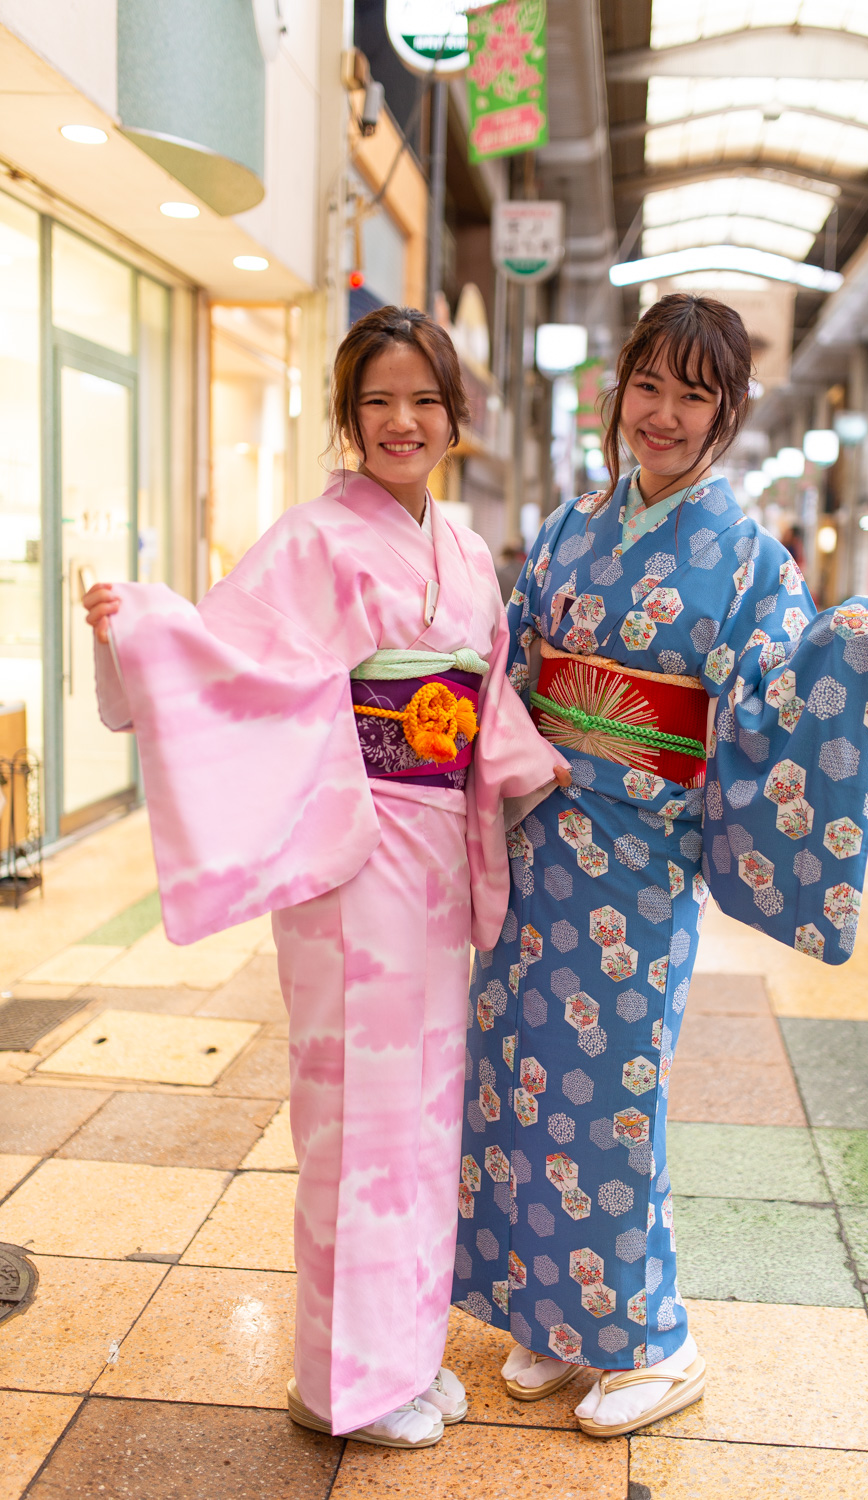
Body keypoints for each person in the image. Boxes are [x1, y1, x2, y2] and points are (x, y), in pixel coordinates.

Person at [82, 306, 569, 1450]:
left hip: (435, 851)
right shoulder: (312, 539)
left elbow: (483, 693)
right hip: (350, 855)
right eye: (377, 400)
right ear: (349, 417)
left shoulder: (465, 551)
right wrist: (137, 629)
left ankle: (398, 1356)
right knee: (355, 1119)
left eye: (422, 400)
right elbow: (228, 660)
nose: (401, 421)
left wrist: (535, 769)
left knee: (420, 1118)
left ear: (454, 416)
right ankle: (336, 1380)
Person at [452, 293, 868, 1439]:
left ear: (726, 414)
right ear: (617, 388)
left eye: (691, 396)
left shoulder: (747, 557)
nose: (660, 416)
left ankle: (654, 1339)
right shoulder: (569, 529)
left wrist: (862, 641)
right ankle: (553, 1317)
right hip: (532, 855)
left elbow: (774, 689)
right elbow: (504, 656)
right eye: (646, 387)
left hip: (632, 870)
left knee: (610, 1096)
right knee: (516, 1077)